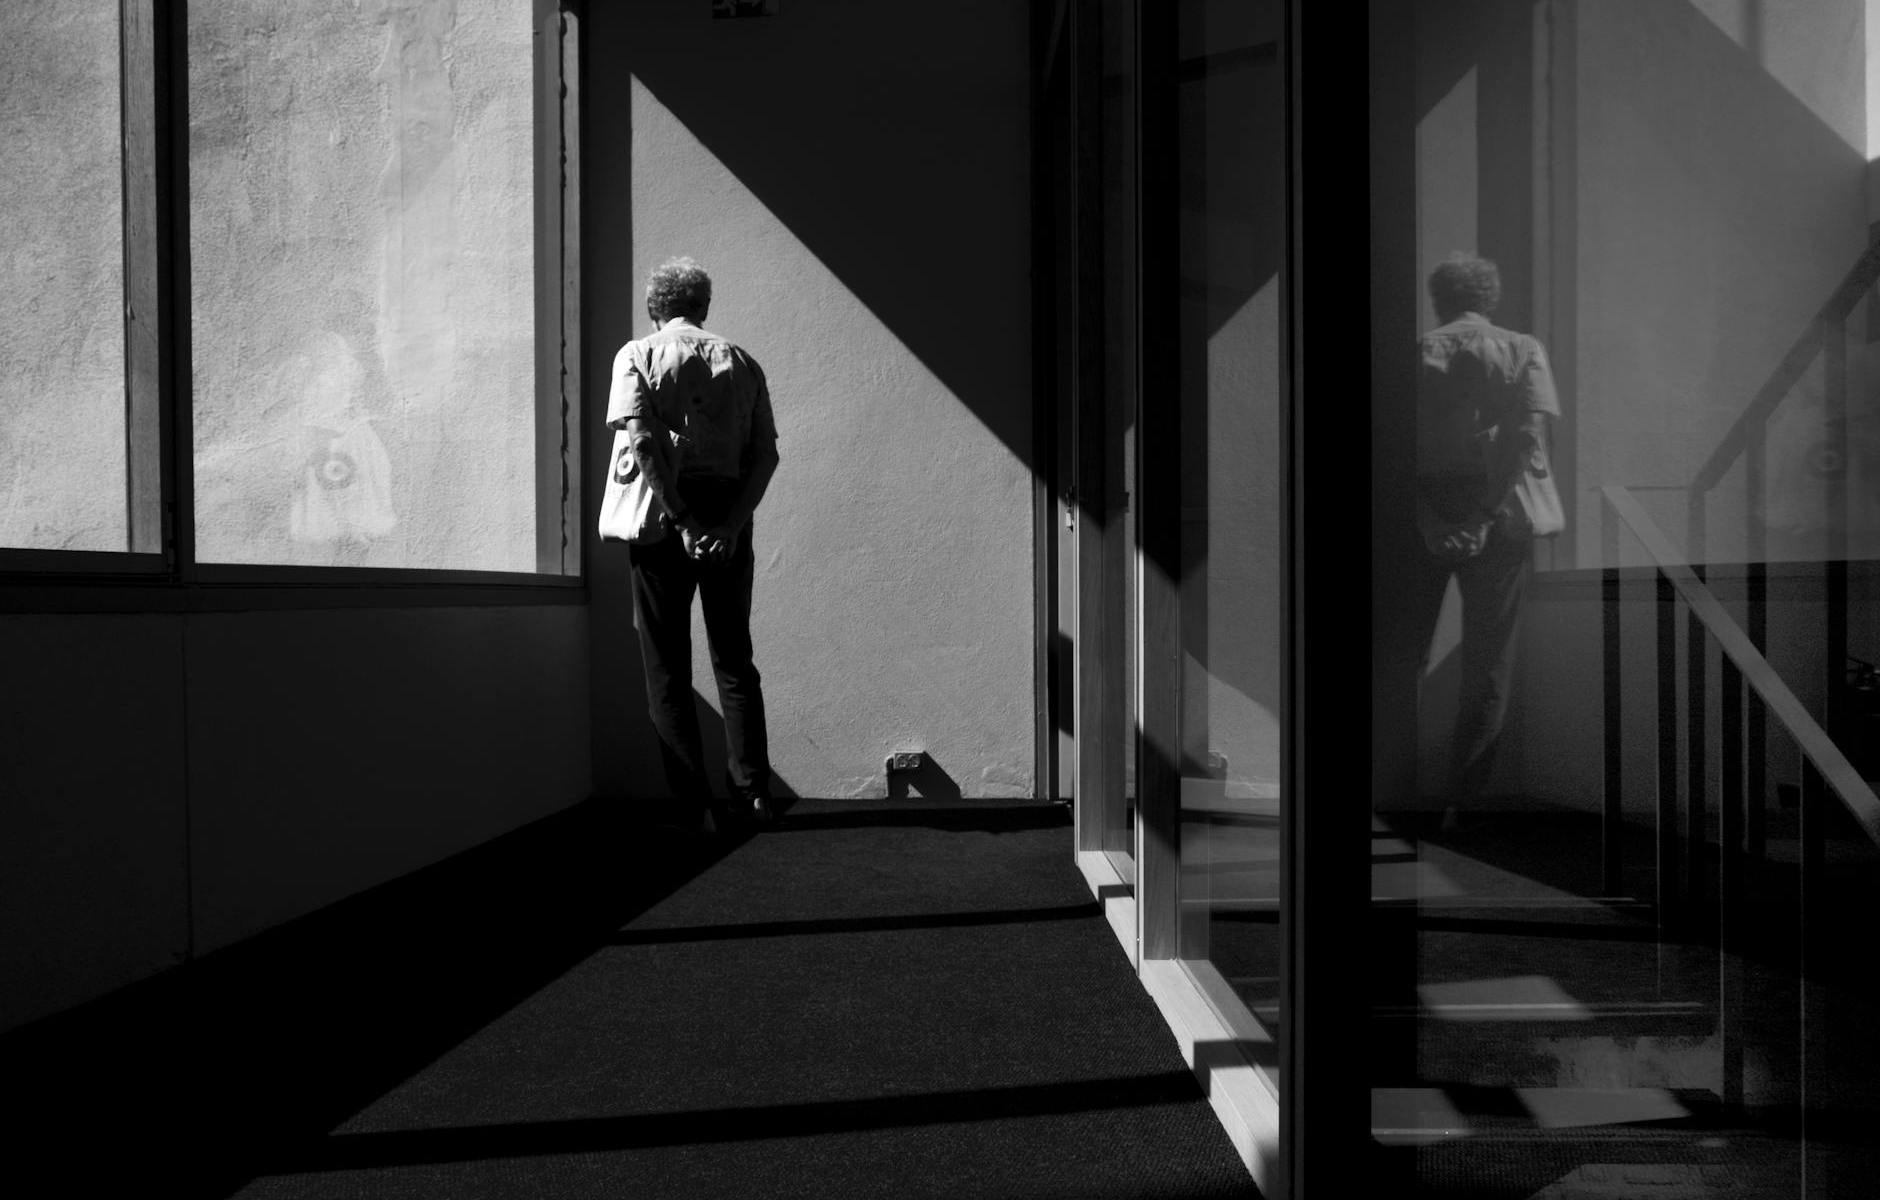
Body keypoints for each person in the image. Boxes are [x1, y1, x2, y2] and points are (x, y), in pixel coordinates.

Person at [609, 257, 781, 833]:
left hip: (665, 515)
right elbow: (766, 455)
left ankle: (694, 809)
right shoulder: (742, 361)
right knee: (734, 659)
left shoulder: (637, 355)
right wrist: (728, 526)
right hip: (729, 509)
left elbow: (642, 443)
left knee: (666, 668)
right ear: (704, 307)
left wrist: (682, 521)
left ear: (653, 308)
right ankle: (753, 796)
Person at [1412, 253, 1560, 828]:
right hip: (1500, 511)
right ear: (1489, 297)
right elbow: (1526, 439)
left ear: (1439, 298)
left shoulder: (1416, 352)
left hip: (1426, 505)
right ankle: (1463, 806)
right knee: (1489, 663)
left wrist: (1429, 517)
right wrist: (1483, 516)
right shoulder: (1522, 348)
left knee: (1403, 655)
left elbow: (1394, 443)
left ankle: (1395, 793)